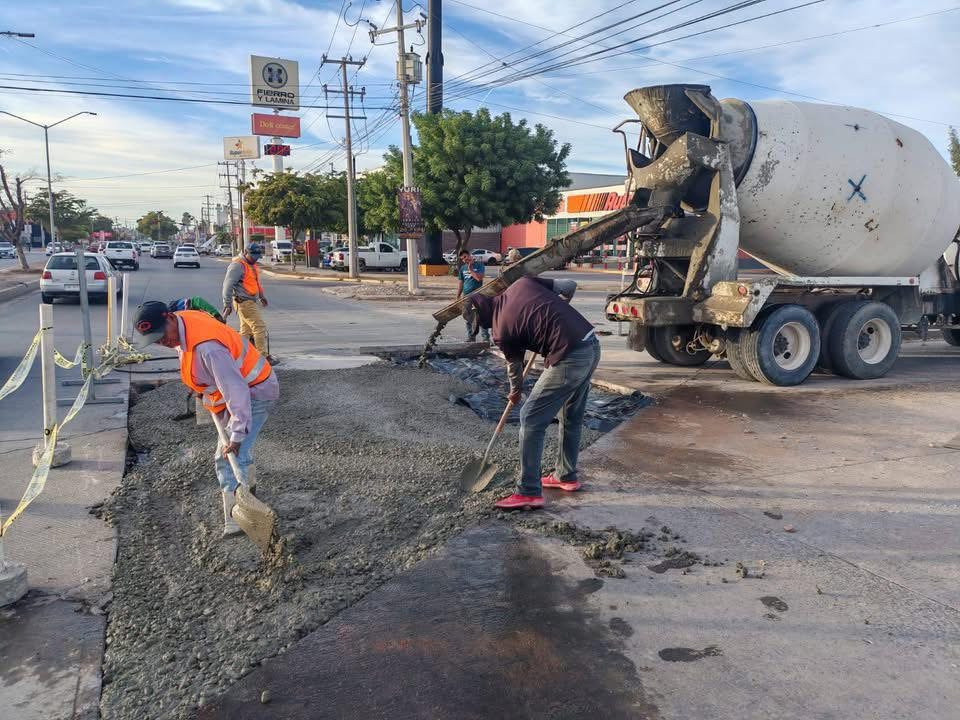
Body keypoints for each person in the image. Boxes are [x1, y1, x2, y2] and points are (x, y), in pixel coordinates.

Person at [133, 300, 279, 537]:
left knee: (228, 456)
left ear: (169, 317)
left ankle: (238, 519)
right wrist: (201, 389)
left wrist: (237, 434)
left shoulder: (208, 348)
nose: (162, 342)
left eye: (162, 335)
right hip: (243, 388)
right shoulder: (182, 323)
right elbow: (194, 362)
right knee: (238, 453)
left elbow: (236, 390)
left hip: (254, 391)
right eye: (156, 340)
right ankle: (249, 491)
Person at [463, 276, 597, 510]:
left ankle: (528, 491)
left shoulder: (501, 330)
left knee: (530, 417)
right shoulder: (522, 283)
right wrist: (558, 307)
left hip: (570, 357)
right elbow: (569, 286)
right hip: (591, 346)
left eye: (480, 323)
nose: (484, 327)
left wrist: (515, 393)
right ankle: (566, 476)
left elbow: (514, 368)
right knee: (571, 416)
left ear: (482, 316)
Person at [222, 243, 272, 360]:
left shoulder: (251, 265)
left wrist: (261, 296)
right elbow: (227, 285)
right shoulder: (237, 265)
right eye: (253, 256)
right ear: (245, 252)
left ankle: (241, 357)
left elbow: (255, 282)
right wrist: (227, 304)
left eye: (257, 256)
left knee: (246, 331)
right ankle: (262, 357)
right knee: (259, 327)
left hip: (250, 301)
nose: (255, 259)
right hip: (244, 302)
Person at [455, 249, 489, 343]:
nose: (464, 260)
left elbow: (479, 278)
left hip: (478, 294)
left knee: (482, 315)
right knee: (466, 314)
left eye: (465, 257)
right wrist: (458, 296)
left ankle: (485, 338)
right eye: (462, 259)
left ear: (469, 255)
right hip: (466, 295)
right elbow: (461, 283)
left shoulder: (479, 265)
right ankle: (471, 337)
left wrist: (470, 269)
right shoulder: (462, 268)